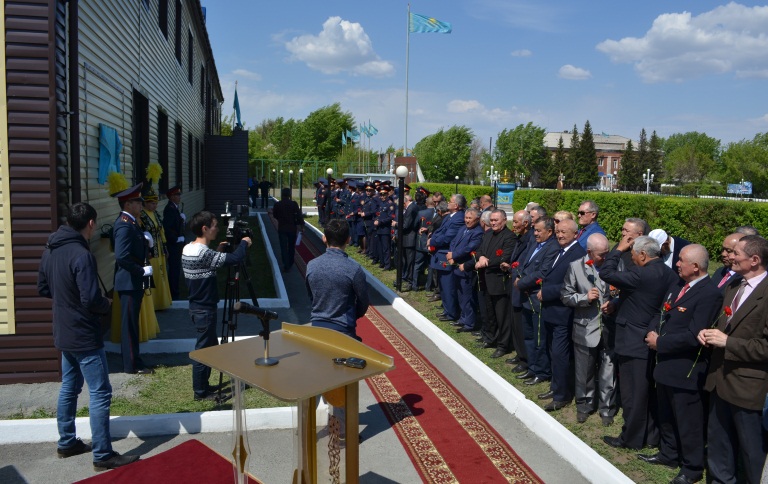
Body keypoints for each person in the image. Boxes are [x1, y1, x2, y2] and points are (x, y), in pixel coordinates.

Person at [38, 202, 140, 471]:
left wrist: (66, 301)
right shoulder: (81, 255)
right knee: (100, 392)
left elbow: (43, 288)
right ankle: (103, 454)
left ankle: (67, 442)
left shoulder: (51, 248)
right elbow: (91, 298)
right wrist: (106, 305)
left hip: (63, 330)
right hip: (84, 333)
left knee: (69, 387)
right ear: (91, 224)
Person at [640, 244, 722, 484]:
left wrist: (661, 342)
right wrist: (652, 330)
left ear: (695, 266)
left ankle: (692, 467)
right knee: (666, 415)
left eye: (681, 260)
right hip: (665, 365)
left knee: (688, 422)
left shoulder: (710, 294)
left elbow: (695, 334)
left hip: (685, 368)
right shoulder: (678, 284)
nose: (676, 263)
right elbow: (661, 312)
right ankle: (669, 453)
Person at [600, 235, 679, 450]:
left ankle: (631, 438)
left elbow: (606, 273)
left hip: (631, 339)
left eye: (632, 253)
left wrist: (618, 249)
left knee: (632, 393)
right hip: (650, 336)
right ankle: (651, 435)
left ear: (643, 254)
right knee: (645, 391)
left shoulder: (639, 273)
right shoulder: (669, 274)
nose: (631, 257)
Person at [700, 235, 768, 484]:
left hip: (748, 388)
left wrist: (728, 342)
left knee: (751, 453)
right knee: (719, 445)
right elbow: (723, 325)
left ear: (754, 260)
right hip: (719, 380)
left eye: (736, 253)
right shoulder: (733, 285)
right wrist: (707, 332)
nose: (729, 257)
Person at [182, 211, 252, 401]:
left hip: (197, 306)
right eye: (214, 226)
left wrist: (219, 250)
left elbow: (208, 265)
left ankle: (204, 385)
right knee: (203, 351)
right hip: (205, 309)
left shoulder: (189, 248)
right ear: (205, 229)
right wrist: (244, 242)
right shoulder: (203, 253)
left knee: (210, 348)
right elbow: (235, 259)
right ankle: (200, 392)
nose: (217, 229)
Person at [561, 233, 618, 426]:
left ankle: (607, 408)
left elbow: (626, 292)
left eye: (607, 253)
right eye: (601, 254)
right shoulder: (576, 267)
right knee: (583, 370)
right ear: (589, 252)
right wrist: (584, 298)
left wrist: (615, 303)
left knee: (608, 370)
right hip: (585, 327)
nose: (605, 257)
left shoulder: (616, 265)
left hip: (610, 328)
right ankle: (584, 405)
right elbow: (566, 296)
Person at [537, 218, 587, 411]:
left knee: (560, 354)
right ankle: (555, 386)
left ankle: (562, 395)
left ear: (575, 234)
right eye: (558, 231)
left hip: (563, 312)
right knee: (552, 351)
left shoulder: (578, 254)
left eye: (564, 232)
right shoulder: (560, 250)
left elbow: (573, 284)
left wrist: (547, 292)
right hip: (551, 310)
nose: (560, 235)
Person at [112, 183, 154, 375]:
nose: (141, 205)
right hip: (129, 282)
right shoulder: (123, 224)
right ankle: (131, 365)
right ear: (128, 204)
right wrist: (140, 271)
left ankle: (135, 360)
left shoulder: (131, 223)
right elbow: (121, 256)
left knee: (132, 324)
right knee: (129, 326)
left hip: (132, 282)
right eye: (138, 202)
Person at [306, 219, 370, 341]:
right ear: (348, 240)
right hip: (344, 329)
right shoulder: (354, 269)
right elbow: (363, 302)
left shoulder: (311, 265)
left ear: (324, 238)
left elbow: (312, 296)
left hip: (317, 326)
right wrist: (354, 315)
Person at [466, 209, 517, 354]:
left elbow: (505, 257)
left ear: (504, 220)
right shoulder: (488, 234)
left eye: (496, 220)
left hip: (499, 282)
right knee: (489, 313)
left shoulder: (509, 237)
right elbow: (480, 250)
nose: (493, 223)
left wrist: (486, 262)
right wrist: (481, 258)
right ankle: (490, 338)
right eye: (492, 220)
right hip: (484, 280)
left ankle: (503, 345)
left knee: (502, 316)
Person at [515, 217, 559, 377]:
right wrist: (519, 276)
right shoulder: (534, 243)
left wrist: (522, 283)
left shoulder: (553, 247)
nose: (535, 233)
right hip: (526, 297)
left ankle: (541, 371)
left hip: (536, 297)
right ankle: (532, 367)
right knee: (528, 335)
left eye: (539, 230)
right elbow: (524, 264)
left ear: (549, 231)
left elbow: (543, 272)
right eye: (535, 230)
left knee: (538, 337)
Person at [429, 194, 467, 322]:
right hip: (440, 253)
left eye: (450, 202)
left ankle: (451, 312)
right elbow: (439, 231)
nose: (447, 203)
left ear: (456, 205)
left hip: (446, 254)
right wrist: (432, 238)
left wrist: (433, 242)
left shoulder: (458, 218)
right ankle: (447, 310)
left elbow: (448, 236)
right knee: (443, 285)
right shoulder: (449, 216)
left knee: (448, 286)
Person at [447, 208, 484, 332]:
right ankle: (463, 318)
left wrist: (454, 256)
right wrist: (451, 253)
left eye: (470, 218)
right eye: (466, 218)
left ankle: (469, 323)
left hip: (466, 268)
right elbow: (454, 242)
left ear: (477, 219)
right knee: (460, 294)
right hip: (456, 265)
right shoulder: (463, 228)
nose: (467, 220)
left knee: (467, 297)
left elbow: (469, 248)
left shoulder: (478, 232)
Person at [140, 184, 171, 310]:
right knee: (155, 274)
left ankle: (163, 301)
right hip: (151, 250)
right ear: (146, 203)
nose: (155, 205)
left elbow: (161, 231)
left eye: (156, 203)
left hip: (159, 247)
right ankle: (154, 303)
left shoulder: (156, 214)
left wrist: (165, 247)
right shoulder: (142, 216)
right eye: (152, 203)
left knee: (162, 273)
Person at [271, 187, 305, 272]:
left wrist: (281, 219)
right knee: (291, 246)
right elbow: (299, 215)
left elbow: (275, 215)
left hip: (282, 228)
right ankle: (290, 262)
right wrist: (302, 225)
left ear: (282, 195)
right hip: (292, 228)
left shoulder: (278, 204)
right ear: (290, 195)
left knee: (283, 247)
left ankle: (286, 264)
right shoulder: (294, 204)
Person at [163, 185, 186, 300]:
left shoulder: (175, 208)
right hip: (173, 244)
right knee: (174, 269)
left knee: (176, 268)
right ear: (171, 197)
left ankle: (175, 291)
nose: (179, 197)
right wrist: (176, 239)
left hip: (177, 243)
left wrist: (182, 220)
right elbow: (167, 228)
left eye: (179, 194)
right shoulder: (170, 209)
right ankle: (174, 293)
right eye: (177, 195)